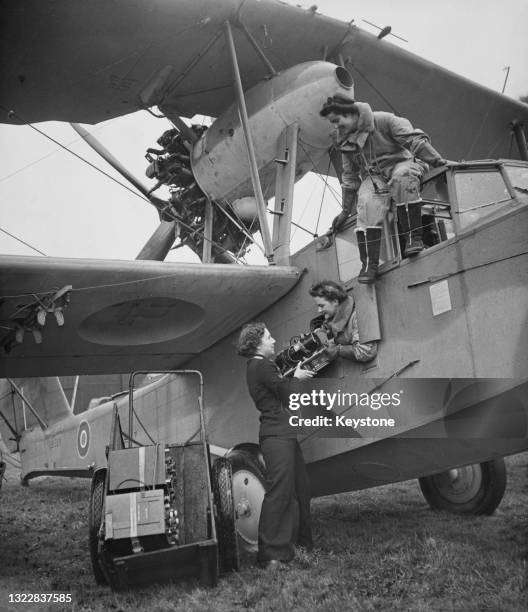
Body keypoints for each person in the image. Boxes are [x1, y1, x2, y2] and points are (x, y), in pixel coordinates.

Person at [320, 94, 447, 284]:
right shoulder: (345, 142)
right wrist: (345, 210)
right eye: (333, 123)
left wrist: (438, 161)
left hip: (402, 163)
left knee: (402, 178)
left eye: (337, 121)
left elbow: (415, 141)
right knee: (366, 201)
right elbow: (349, 177)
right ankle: (369, 264)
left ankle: (414, 237)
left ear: (351, 113)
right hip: (375, 177)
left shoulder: (384, 120)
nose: (336, 127)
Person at [236, 322, 314, 569]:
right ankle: (270, 555)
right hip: (276, 436)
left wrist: (291, 376)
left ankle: (299, 544)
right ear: (257, 343)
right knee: (279, 494)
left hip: (283, 434)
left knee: (300, 489)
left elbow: (277, 387)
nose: (273, 340)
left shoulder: (257, 366)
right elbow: (286, 393)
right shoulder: (261, 365)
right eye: (268, 337)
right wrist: (298, 377)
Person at [309, 280, 377, 363]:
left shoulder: (358, 316)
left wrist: (338, 350)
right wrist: (320, 332)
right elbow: (328, 327)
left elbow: (366, 352)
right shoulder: (332, 316)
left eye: (321, 306)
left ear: (335, 301)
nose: (319, 310)